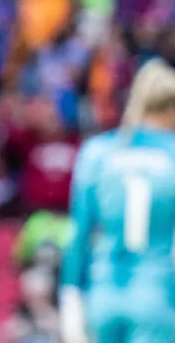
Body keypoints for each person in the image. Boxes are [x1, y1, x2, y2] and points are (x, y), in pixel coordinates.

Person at [60, 58, 175, 343]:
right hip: (157, 294)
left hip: (103, 292)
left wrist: (70, 297)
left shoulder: (97, 152)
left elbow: (79, 234)